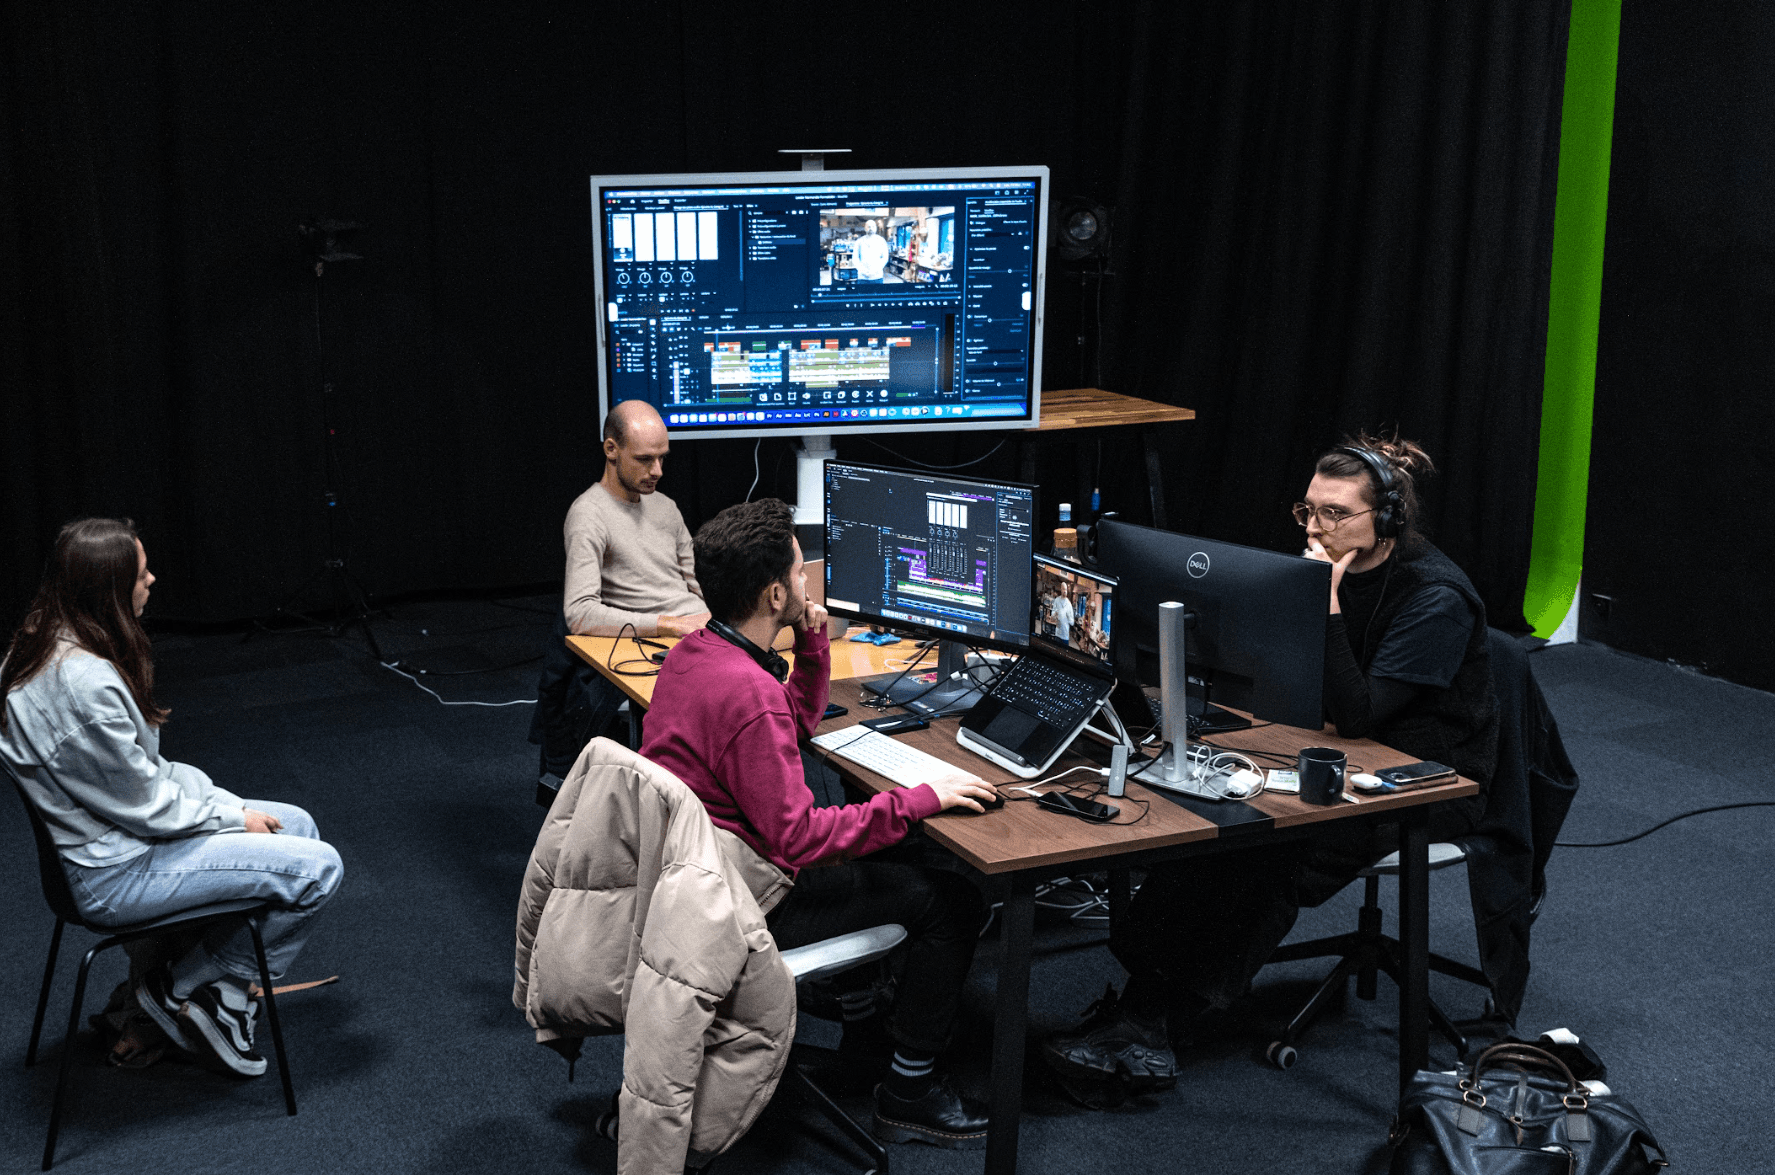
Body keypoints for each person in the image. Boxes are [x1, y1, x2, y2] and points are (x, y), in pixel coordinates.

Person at [1042, 433, 1495, 1101]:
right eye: (1308, 510)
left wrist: (1324, 603)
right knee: (1209, 818)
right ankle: (1145, 1003)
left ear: (1388, 519)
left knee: (1266, 846)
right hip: (1336, 746)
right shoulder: (1328, 567)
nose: (1314, 528)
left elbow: (1363, 714)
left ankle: (1154, 1024)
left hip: (1423, 779)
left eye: (1335, 514)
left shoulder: (1435, 598)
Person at [641, 499, 1001, 1150]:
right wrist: (920, 798)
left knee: (888, 857)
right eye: (801, 571)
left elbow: (788, 725)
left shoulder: (697, 655)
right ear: (775, 593)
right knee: (952, 899)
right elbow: (801, 839)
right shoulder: (747, 693)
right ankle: (908, 1093)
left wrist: (811, 645)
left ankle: (863, 1047)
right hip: (746, 902)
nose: (809, 581)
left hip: (695, 881)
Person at [0, 518, 343, 1077]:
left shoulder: (38, 640)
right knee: (319, 870)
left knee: (295, 823)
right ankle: (182, 989)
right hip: (116, 871)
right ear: (106, 589)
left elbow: (144, 780)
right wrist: (231, 816)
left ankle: (204, 1000)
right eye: (140, 573)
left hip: (113, 840)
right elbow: (149, 808)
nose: (152, 580)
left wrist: (228, 808)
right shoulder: (82, 684)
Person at [561, 399, 711, 639]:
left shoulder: (665, 505)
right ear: (611, 449)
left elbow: (698, 581)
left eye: (662, 458)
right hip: (665, 637)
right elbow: (579, 614)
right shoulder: (589, 514)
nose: (657, 471)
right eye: (644, 459)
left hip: (702, 627)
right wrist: (669, 625)